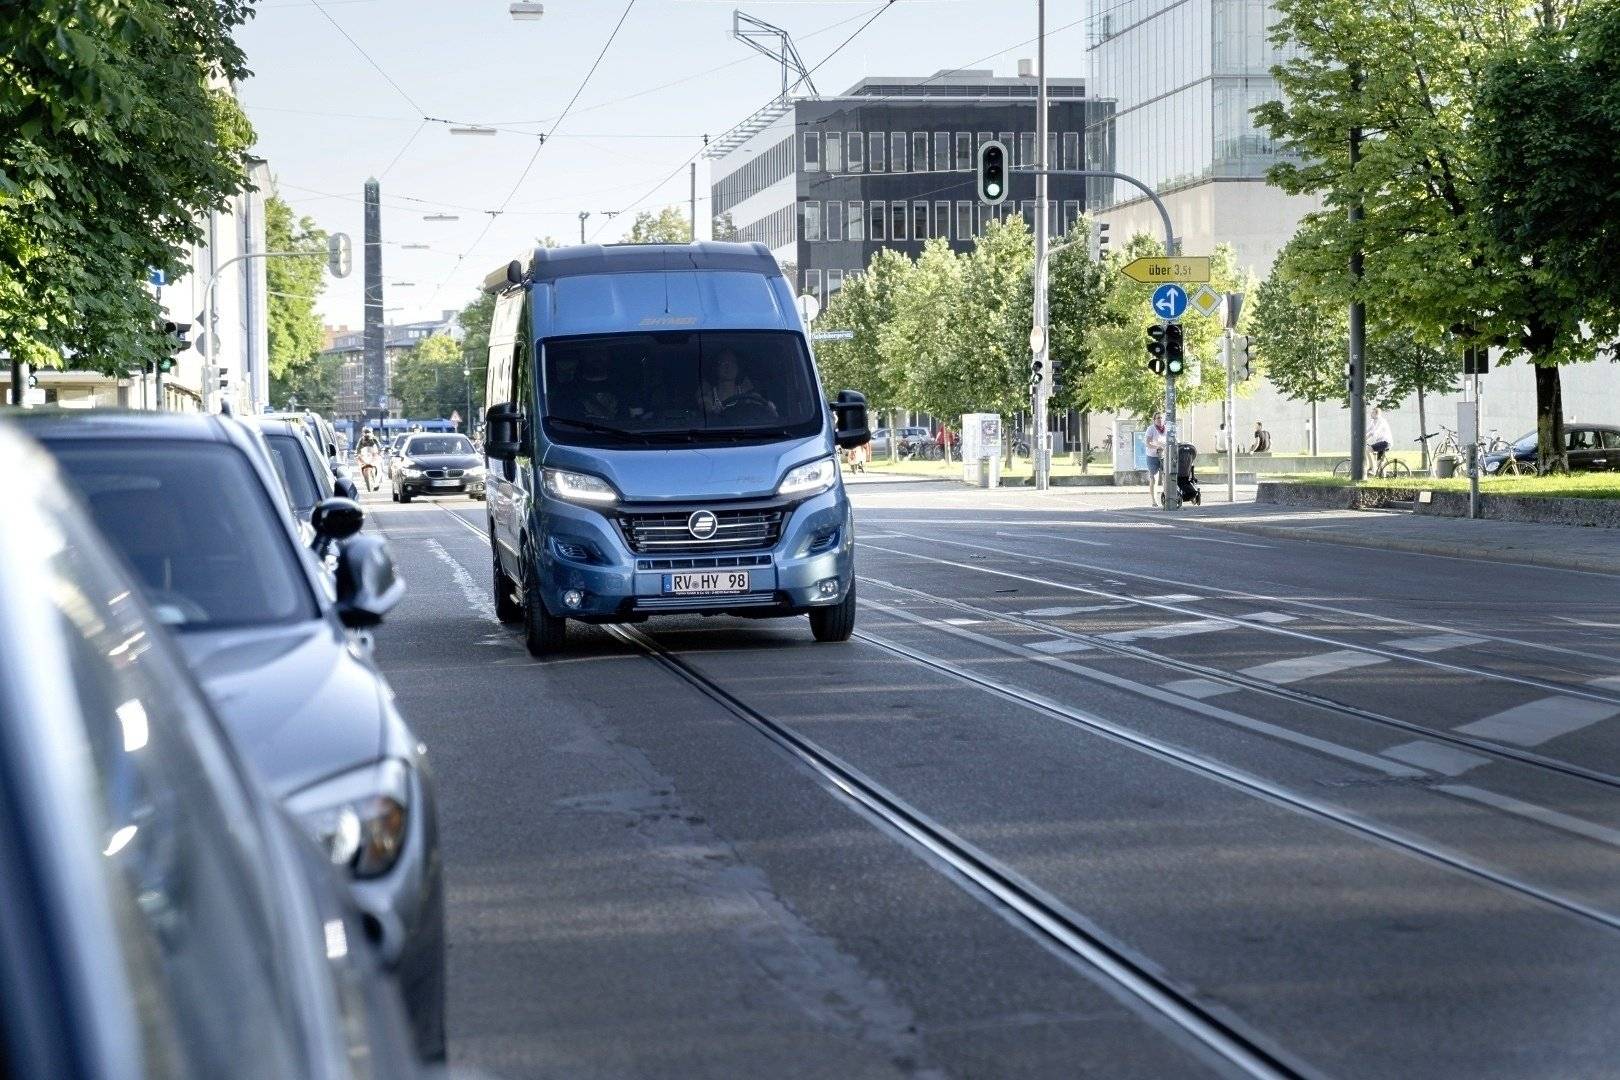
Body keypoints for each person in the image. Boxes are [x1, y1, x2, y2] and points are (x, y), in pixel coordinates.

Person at [1144, 412, 1168, 506]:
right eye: (1158, 418)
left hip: (1165, 456)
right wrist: (1158, 447)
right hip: (1152, 456)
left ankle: (1167, 498)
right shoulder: (1151, 429)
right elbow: (1147, 443)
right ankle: (1154, 501)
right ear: (1154, 420)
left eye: (1161, 418)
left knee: (1166, 477)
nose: (1160, 419)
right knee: (1154, 477)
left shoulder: (1167, 429)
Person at [355, 426, 383, 492]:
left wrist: (380, 451)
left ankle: (378, 481)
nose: (367, 434)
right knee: (360, 464)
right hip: (365, 456)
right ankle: (364, 478)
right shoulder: (361, 440)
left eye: (368, 432)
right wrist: (357, 453)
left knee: (379, 465)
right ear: (363, 433)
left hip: (373, 455)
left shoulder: (374, 439)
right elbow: (358, 448)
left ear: (371, 432)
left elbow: (379, 445)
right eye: (365, 432)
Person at [1367, 406, 1393, 473]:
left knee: (1368, 450)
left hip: (1385, 442)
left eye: (1372, 413)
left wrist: (1365, 439)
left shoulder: (1381, 421)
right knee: (1380, 463)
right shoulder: (1373, 421)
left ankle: (1372, 469)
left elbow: (1375, 431)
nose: (1371, 414)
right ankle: (1383, 477)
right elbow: (1368, 430)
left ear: (1377, 414)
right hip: (1382, 443)